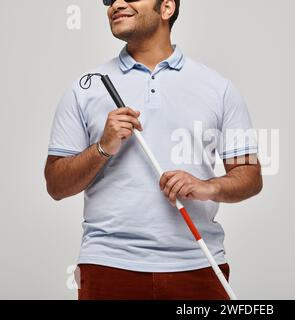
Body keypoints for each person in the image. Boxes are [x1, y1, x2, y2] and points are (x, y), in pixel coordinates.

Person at [44, 0, 262, 300]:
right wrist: (102, 147)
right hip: (108, 264)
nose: (116, 3)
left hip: (198, 263)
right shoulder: (85, 89)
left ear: (167, 7)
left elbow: (250, 176)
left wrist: (206, 186)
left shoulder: (219, 88)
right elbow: (55, 184)